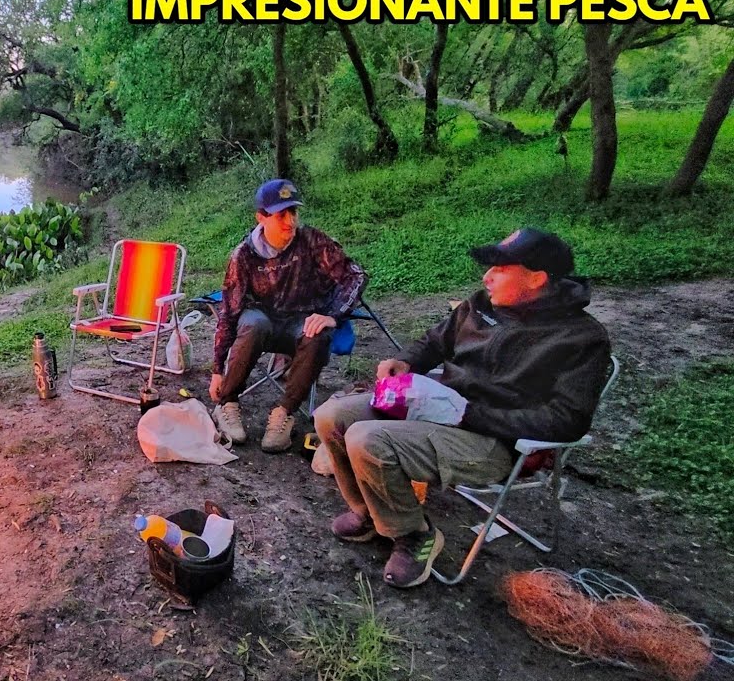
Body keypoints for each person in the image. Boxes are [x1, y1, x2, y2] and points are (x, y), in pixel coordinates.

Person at [313, 228, 611, 588]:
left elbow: (568, 421)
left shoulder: (579, 337)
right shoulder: (483, 304)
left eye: (500, 269)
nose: (487, 277)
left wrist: (469, 414)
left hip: (495, 442)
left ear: (536, 278)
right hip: (441, 408)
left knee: (367, 438)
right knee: (331, 417)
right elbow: (436, 341)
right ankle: (371, 513)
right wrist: (405, 362)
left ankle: (415, 535)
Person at [209, 179, 367, 452]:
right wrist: (216, 369)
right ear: (262, 217)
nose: (290, 222)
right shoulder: (244, 255)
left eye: (293, 212)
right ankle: (227, 403)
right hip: (263, 324)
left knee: (318, 333)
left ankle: (284, 412)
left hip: (300, 322)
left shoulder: (312, 242)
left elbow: (356, 275)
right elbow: (229, 312)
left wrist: (333, 314)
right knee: (252, 322)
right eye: (282, 214)